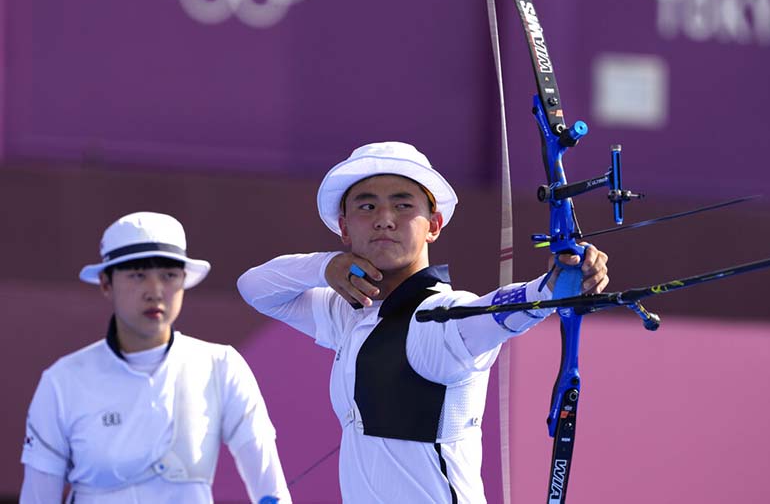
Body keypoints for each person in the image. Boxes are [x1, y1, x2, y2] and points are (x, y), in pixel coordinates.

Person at [237, 142, 608, 503]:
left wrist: (549, 289)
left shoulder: (441, 317)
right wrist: (323, 266)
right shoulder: (350, 313)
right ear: (345, 228)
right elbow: (255, 288)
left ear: (433, 224)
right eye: (367, 206)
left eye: (403, 204)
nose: (384, 219)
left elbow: (492, 314)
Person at [20, 212, 291, 503]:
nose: (155, 291)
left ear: (184, 281)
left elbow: (271, 490)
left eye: (169, 275)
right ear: (105, 283)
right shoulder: (62, 381)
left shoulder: (222, 365)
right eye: (137, 275)